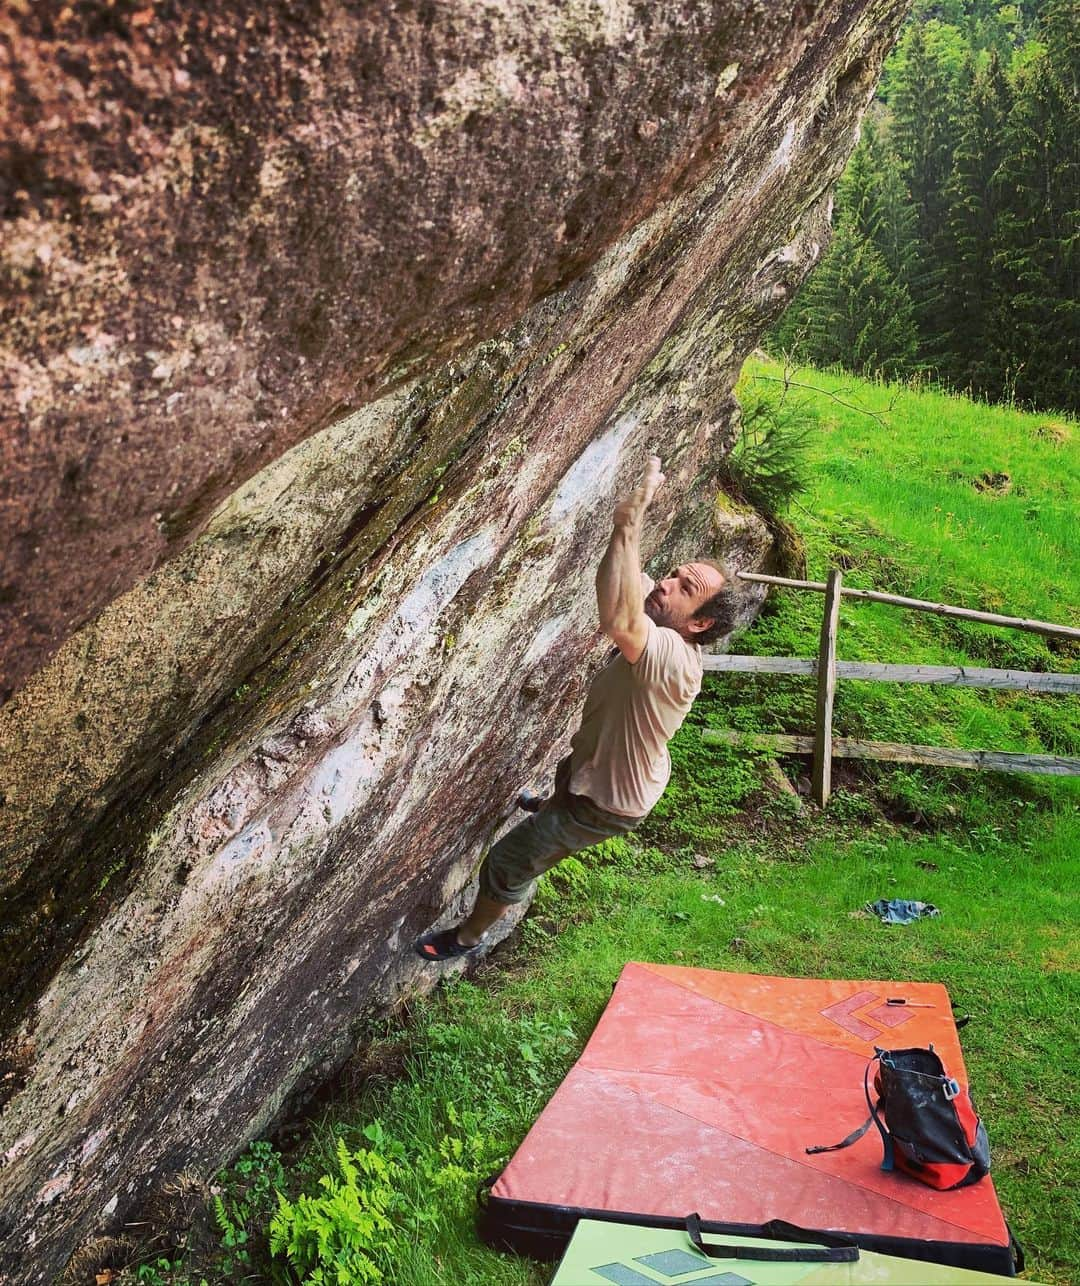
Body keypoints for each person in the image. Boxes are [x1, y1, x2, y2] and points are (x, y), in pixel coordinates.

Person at [415, 454, 739, 962]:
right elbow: (625, 583)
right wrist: (628, 523)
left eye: (684, 588)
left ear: (700, 624)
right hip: (603, 770)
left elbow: (620, 619)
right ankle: (552, 807)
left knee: (509, 862)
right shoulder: (663, 629)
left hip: (609, 805)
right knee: (571, 776)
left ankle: (467, 940)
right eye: (673, 574)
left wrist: (629, 524)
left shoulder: (675, 657)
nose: (666, 583)